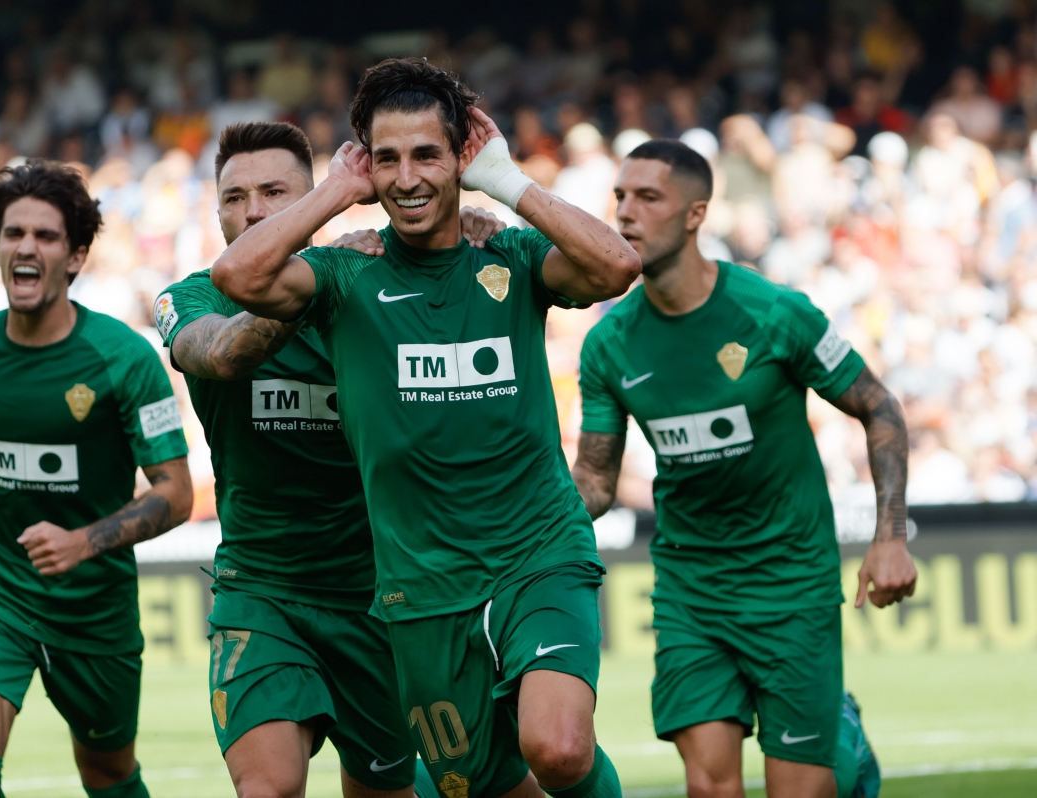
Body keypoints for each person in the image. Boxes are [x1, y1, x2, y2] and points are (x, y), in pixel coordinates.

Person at [210, 57, 641, 798]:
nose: (407, 178)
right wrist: (337, 194)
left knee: (559, 747)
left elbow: (615, 267)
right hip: (420, 589)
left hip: (534, 552)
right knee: (481, 786)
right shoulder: (345, 279)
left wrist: (507, 183)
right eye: (386, 159)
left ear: (459, 159)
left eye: (426, 155)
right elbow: (237, 279)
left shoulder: (507, 254)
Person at [154, 120, 504, 798]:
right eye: (233, 197)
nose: (251, 210)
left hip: (380, 600)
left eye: (273, 192)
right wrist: (316, 271)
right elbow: (222, 354)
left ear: (310, 195)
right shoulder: (188, 297)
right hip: (263, 593)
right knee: (269, 787)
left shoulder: (373, 292)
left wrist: (467, 245)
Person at [571, 140, 919, 798]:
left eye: (648, 197)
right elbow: (593, 481)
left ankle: (841, 741)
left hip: (792, 584)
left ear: (697, 213)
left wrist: (890, 535)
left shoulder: (776, 313)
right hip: (690, 591)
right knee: (710, 788)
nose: (625, 213)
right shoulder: (608, 344)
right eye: (620, 196)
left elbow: (880, 408)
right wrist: (504, 515)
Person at [0, 160, 194, 798]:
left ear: (75, 256)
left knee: (108, 773)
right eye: (13, 233)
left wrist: (82, 543)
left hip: (93, 606)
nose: (26, 247)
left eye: (45, 236)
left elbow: (176, 493)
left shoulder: (124, 360)